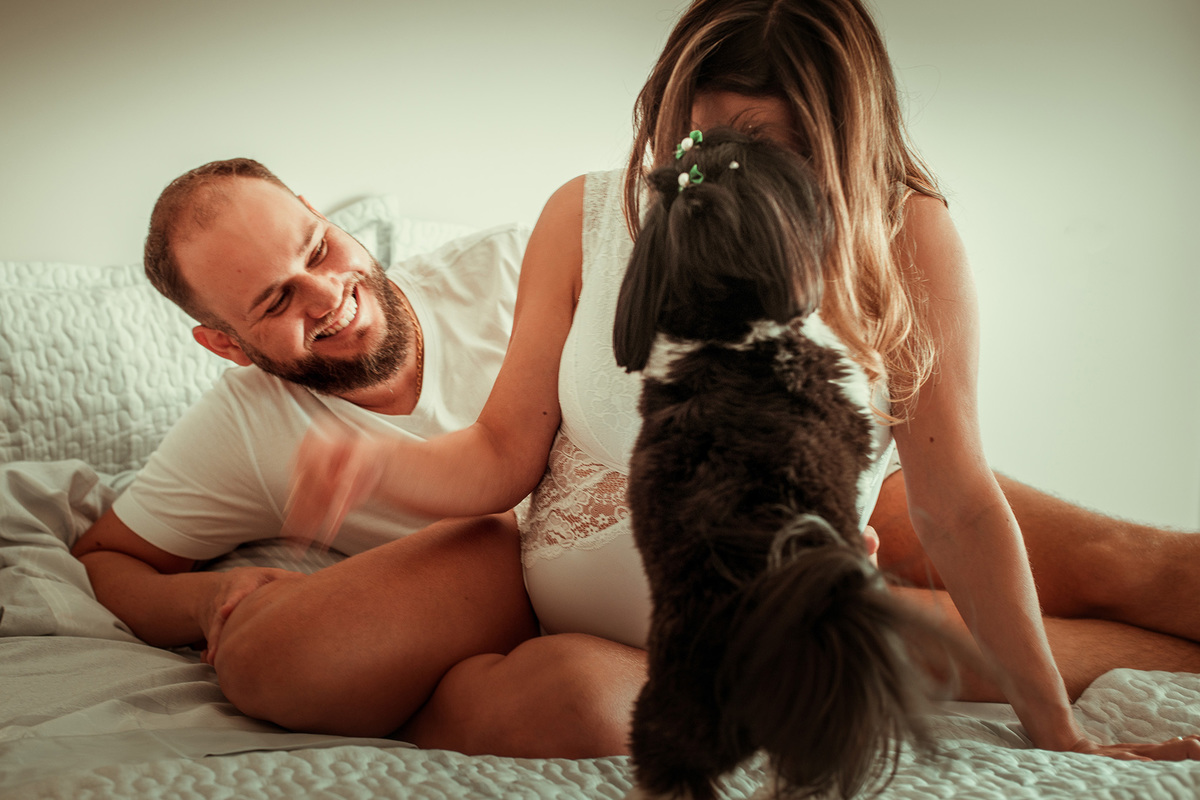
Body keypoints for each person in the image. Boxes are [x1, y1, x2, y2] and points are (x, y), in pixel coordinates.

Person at [285, 0, 1200, 762]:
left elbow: (955, 501)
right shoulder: (592, 212)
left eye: (757, 143)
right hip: (619, 615)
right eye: (693, 135)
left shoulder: (907, 236)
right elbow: (498, 451)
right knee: (581, 706)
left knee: (1105, 580)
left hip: (790, 598)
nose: (708, 168)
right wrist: (376, 468)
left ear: (835, 141)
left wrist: (1058, 733)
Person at [70, 158, 644, 758]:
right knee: (270, 661)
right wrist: (210, 598)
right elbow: (107, 559)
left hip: (628, 544)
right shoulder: (246, 424)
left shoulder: (511, 267)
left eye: (317, 250)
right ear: (225, 344)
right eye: (275, 302)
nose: (326, 297)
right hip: (496, 583)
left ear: (316, 211)